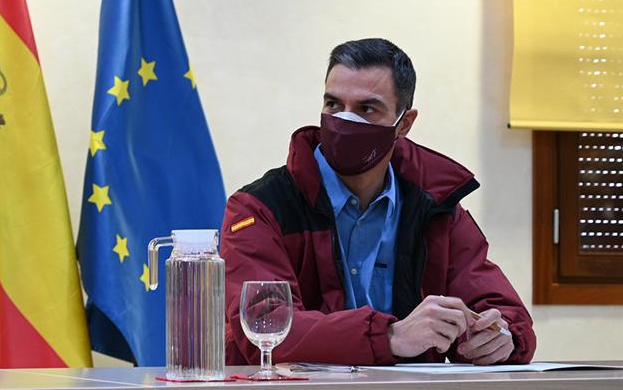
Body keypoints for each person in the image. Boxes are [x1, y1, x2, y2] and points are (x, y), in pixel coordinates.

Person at [220, 38, 536, 366]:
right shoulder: (259, 209)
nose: (344, 121)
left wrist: (502, 339)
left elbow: (501, 313)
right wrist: (390, 338)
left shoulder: (436, 208)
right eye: (333, 105)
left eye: (366, 109)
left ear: (405, 123)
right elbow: (263, 329)